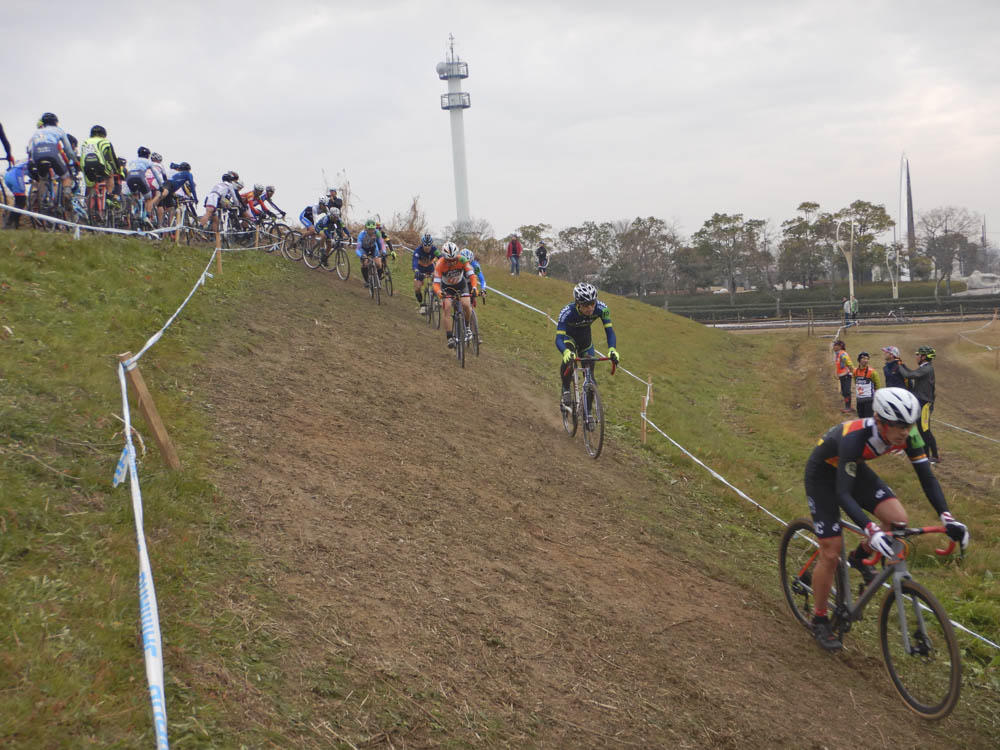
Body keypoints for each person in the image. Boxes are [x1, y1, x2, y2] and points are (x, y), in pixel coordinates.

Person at [804, 387, 968, 652]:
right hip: (823, 475)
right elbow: (843, 494)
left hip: (852, 469)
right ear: (880, 421)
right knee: (831, 552)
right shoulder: (855, 437)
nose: (904, 432)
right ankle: (820, 618)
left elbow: (927, 477)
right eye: (898, 425)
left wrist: (947, 517)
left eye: (909, 425)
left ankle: (859, 557)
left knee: (898, 520)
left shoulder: (908, 436)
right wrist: (871, 529)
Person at [555, 282, 620, 407]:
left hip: (586, 341)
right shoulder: (566, 312)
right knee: (570, 358)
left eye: (592, 303)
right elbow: (558, 339)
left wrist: (612, 349)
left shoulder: (602, 309)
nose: (590, 308)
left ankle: (588, 413)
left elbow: (610, 332)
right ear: (578, 304)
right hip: (569, 339)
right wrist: (565, 352)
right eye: (586, 305)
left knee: (590, 379)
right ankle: (566, 389)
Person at [26, 112, 79, 216]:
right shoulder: (59, 130)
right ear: (56, 122)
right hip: (52, 152)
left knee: (43, 178)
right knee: (65, 176)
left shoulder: (37, 132)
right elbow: (68, 150)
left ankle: (42, 200)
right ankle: (67, 194)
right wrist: (75, 161)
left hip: (37, 155)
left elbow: (30, 149)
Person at [433, 241, 479, 348]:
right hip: (447, 288)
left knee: (467, 305)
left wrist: (475, 287)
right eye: (449, 260)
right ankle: (449, 337)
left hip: (461, 285)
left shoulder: (462, 260)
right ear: (444, 257)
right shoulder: (440, 264)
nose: (452, 262)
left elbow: (472, 276)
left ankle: (467, 327)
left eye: (454, 259)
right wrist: (439, 292)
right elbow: (435, 284)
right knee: (447, 307)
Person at [897, 346, 939, 463]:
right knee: (919, 429)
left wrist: (899, 365)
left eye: (918, 355)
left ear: (923, 357)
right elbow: (911, 372)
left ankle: (934, 456)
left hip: (925, 404)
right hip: (920, 403)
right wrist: (902, 364)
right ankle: (926, 455)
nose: (916, 356)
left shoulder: (927, 369)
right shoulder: (923, 368)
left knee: (925, 430)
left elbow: (909, 375)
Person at [851, 351, 882, 418]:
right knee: (860, 419)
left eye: (867, 359)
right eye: (864, 358)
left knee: (869, 420)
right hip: (859, 400)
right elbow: (855, 383)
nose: (866, 360)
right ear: (859, 360)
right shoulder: (855, 371)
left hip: (869, 400)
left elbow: (878, 386)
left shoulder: (873, 372)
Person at [412, 233, 437, 313]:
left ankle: (436, 299)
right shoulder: (417, 251)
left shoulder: (434, 250)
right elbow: (415, 262)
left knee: (436, 280)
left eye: (429, 246)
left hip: (430, 267)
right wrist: (416, 270)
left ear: (431, 245)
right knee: (417, 288)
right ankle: (422, 305)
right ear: (422, 244)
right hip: (420, 269)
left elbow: (441, 258)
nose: (427, 248)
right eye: (425, 246)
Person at [2, 158, 30, 228]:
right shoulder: (33, 163)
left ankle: (16, 224)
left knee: (19, 202)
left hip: (8, 176)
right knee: (21, 201)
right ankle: (9, 223)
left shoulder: (25, 162)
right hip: (16, 175)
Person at [832, 339, 853, 413]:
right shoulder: (838, 354)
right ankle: (848, 406)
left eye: (835, 345)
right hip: (842, 376)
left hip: (846, 375)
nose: (833, 347)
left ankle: (848, 407)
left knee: (846, 391)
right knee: (844, 392)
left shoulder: (842, 354)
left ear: (840, 346)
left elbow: (849, 364)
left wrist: (852, 372)